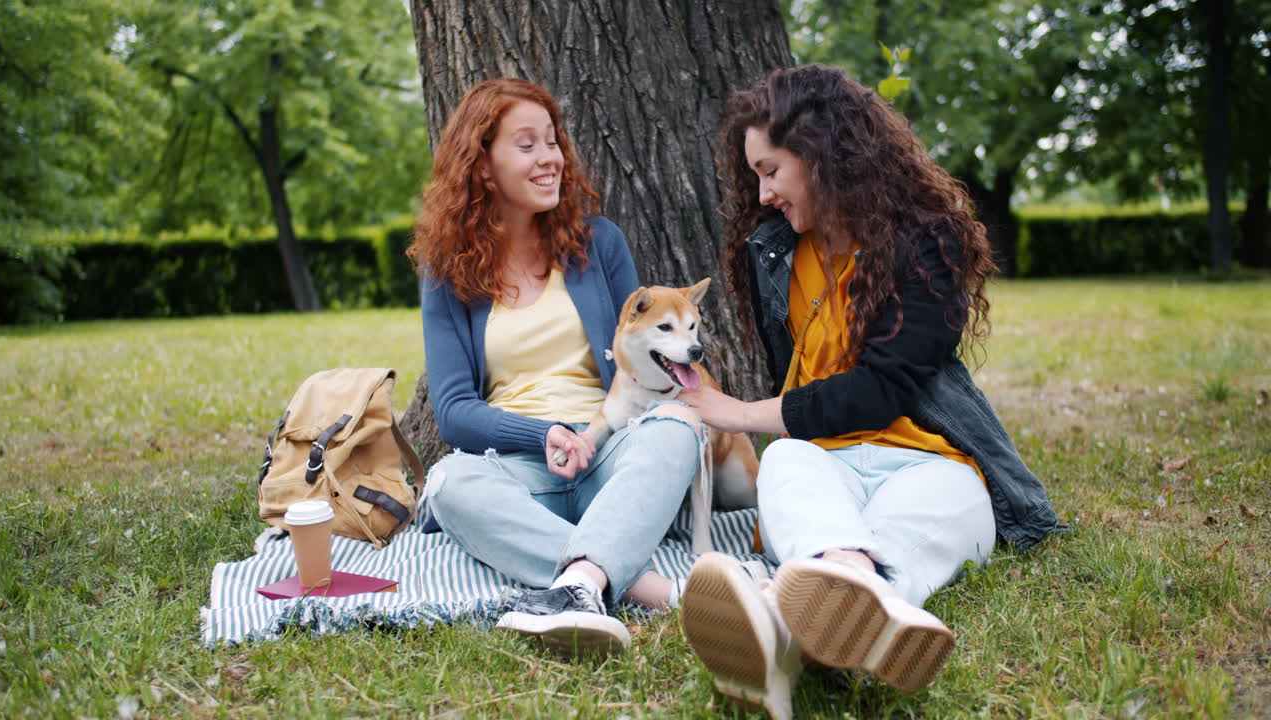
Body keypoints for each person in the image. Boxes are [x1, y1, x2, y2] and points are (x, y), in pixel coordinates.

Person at [675, 64, 1058, 718]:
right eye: (756, 177)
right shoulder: (774, 253)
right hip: (822, 459)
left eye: (770, 171)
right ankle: (850, 595)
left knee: (898, 524)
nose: (762, 194)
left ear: (822, 154)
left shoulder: (925, 241)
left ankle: (783, 627)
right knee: (788, 462)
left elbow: (878, 392)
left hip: (934, 462)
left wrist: (736, 413)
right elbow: (808, 398)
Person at [407, 78, 703, 659]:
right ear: (484, 166)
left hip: (609, 462)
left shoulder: (600, 244)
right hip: (520, 476)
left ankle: (578, 585)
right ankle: (634, 585)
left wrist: (599, 427)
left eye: (552, 141)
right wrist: (543, 434)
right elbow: (453, 412)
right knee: (446, 482)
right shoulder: (447, 272)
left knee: (677, 428)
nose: (550, 158)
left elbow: (642, 364)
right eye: (527, 145)